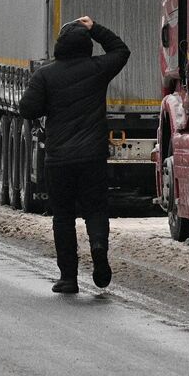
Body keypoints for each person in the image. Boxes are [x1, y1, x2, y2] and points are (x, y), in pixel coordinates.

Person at [18, 15, 129, 294]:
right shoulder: (98, 69)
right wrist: (96, 29)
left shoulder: (45, 74)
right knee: (95, 209)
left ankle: (68, 277)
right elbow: (121, 50)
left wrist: (48, 106)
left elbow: (27, 109)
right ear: (87, 45)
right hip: (92, 156)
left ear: (59, 47)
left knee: (63, 217)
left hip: (59, 160)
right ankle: (99, 248)